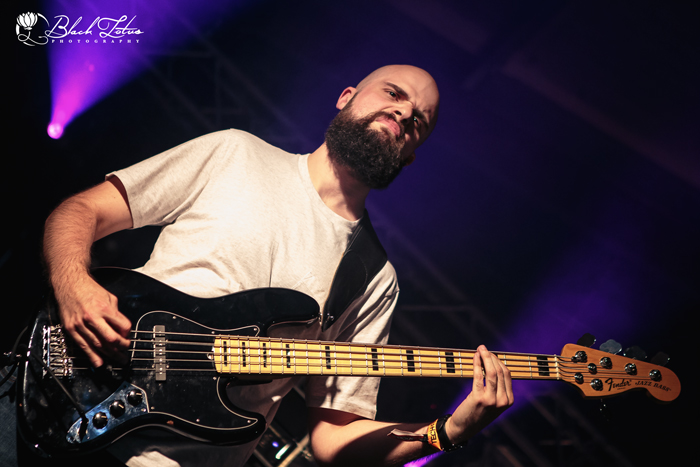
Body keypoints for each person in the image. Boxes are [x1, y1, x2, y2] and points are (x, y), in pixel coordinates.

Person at [41, 64, 513, 466]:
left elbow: (333, 440)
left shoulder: (373, 279)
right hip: (62, 396)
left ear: (409, 158)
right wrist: (74, 285)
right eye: (394, 93)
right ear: (347, 96)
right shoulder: (235, 153)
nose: (404, 114)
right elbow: (81, 211)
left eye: (419, 122)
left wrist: (446, 431)